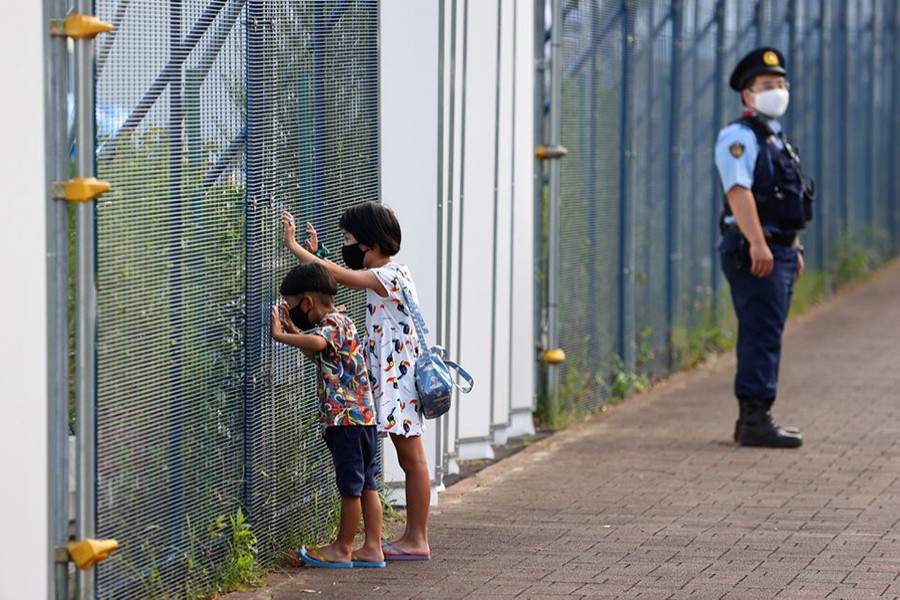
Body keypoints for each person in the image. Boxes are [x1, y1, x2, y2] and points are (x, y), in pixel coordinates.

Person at [283, 202, 432, 560]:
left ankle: (417, 538)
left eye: (350, 239)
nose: (347, 247)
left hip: (398, 378)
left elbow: (338, 275)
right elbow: (333, 277)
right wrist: (318, 254)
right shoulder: (386, 274)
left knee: (411, 457)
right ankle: (407, 538)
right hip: (392, 375)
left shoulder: (389, 275)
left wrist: (295, 247)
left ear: (371, 243)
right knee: (407, 456)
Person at [714, 47, 814, 448]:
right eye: (767, 86)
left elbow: (785, 199)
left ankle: (754, 418)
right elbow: (739, 192)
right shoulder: (739, 137)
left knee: (767, 331)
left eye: (781, 84)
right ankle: (755, 419)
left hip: (779, 249)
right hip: (755, 250)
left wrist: (795, 247)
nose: (778, 91)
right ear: (748, 96)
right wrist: (757, 243)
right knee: (761, 333)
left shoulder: (775, 137)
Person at [271, 262, 385, 568]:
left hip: (346, 421)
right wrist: (296, 332)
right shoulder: (343, 321)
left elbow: (319, 342)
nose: (293, 311)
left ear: (307, 302)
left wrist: (282, 336)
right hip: (364, 420)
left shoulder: (332, 324)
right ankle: (373, 547)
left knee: (350, 487)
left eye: (294, 306)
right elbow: (323, 355)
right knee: (366, 484)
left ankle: (342, 547)